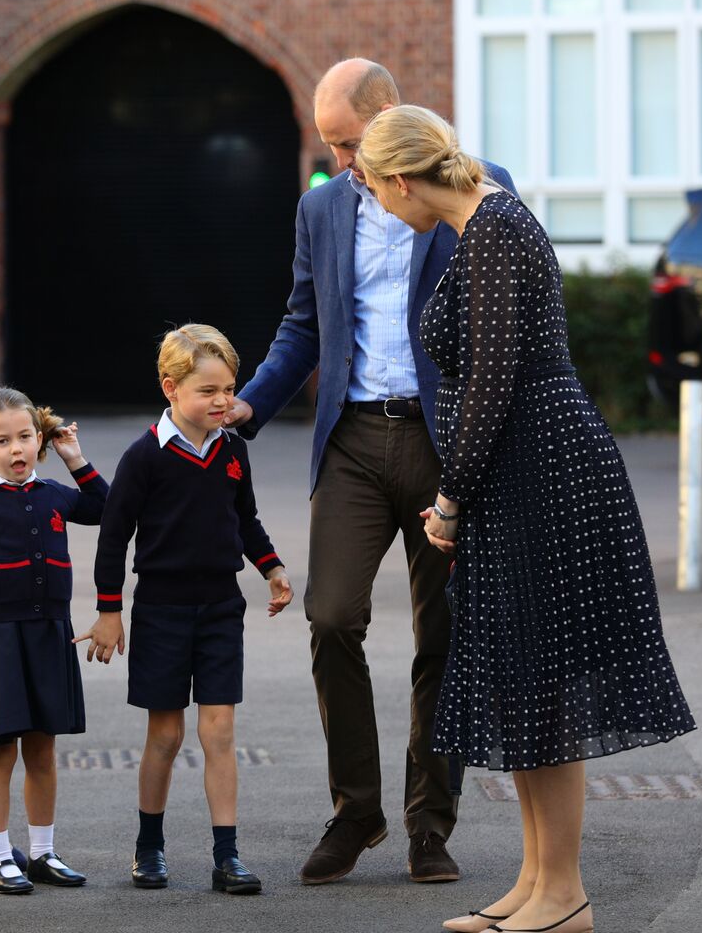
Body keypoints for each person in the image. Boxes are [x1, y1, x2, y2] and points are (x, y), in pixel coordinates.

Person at [357, 103, 696, 933]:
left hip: (542, 468)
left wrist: (448, 498)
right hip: (525, 466)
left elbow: (492, 380)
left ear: (401, 178)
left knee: (546, 680)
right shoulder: (485, 226)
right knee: (527, 682)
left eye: (371, 188)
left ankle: (564, 893)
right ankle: (537, 881)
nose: (376, 205)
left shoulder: (497, 226)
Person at [224, 58, 514, 885]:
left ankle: (431, 823)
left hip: (442, 441)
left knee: (444, 633)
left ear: (391, 115)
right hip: (350, 438)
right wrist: (250, 403)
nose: (342, 162)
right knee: (331, 615)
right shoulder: (320, 205)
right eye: (329, 146)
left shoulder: (479, 188)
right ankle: (357, 812)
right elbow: (301, 322)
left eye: (349, 143)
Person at [76, 324, 293, 894]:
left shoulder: (232, 450)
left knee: (219, 732)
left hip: (222, 608)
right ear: (170, 388)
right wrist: (108, 611)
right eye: (209, 391)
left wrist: (271, 568)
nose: (223, 401)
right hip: (162, 612)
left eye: (229, 389)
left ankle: (228, 856)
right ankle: (149, 847)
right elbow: (113, 535)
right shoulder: (144, 456)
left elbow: (244, 518)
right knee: (166, 736)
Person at [0, 388, 107, 893]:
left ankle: (44, 852)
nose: (16, 449)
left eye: (25, 437)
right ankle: (0, 857)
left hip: (50, 636)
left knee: (44, 752)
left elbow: (105, 507)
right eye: (2, 440)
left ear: (39, 440)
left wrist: (74, 457)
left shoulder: (52, 493)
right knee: (1, 753)